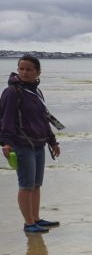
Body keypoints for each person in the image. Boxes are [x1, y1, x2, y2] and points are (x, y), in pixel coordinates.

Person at [1, 55, 62, 234]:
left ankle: (36, 218)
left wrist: (52, 141)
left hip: (38, 145)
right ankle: (28, 223)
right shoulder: (12, 92)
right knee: (26, 185)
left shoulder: (36, 92)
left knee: (36, 185)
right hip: (21, 144)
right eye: (21, 69)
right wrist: (6, 143)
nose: (24, 72)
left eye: (29, 69)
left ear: (38, 72)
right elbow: (6, 120)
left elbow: (44, 119)